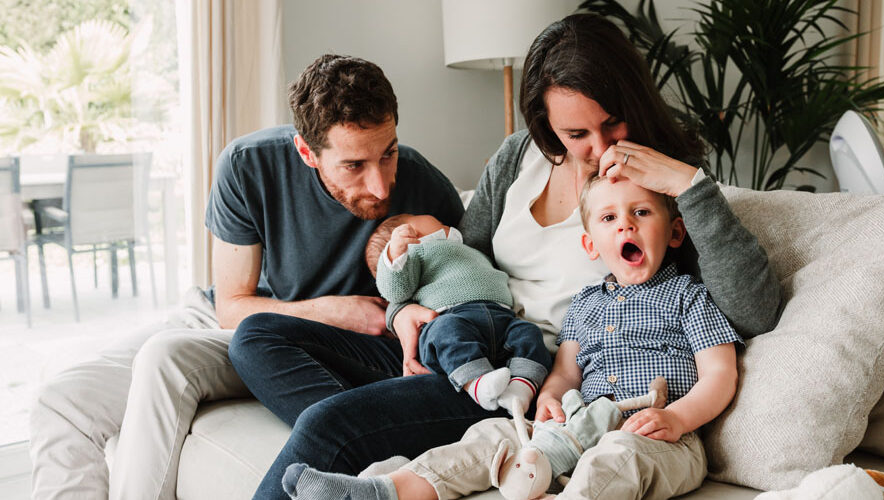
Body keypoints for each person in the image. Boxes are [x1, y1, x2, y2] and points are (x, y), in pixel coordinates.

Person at [244, 13, 781, 500]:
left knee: (326, 425)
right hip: (464, 335)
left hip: (524, 375)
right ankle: (391, 417)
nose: (597, 148)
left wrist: (688, 183)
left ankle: (381, 426)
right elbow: (463, 263)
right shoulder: (516, 157)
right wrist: (401, 310)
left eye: (612, 123)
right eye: (575, 133)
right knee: (256, 337)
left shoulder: (658, 190)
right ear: (546, 123)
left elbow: (754, 312)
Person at [27, 53, 464, 500]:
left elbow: (468, 288)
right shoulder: (248, 165)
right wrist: (334, 311)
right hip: (238, 315)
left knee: (165, 356)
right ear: (306, 153)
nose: (380, 185)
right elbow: (231, 306)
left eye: (387, 152)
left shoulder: (423, 183)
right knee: (62, 401)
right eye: (354, 165)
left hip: (299, 345)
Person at [281, 173, 744, 500]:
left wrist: (679, 420)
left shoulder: (687, 297)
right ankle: (387, 491)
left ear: (676, 232)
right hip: (577, 425)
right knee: (490, 435)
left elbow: (719, 374)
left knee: (621, 456)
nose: (625, 225)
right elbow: (565, 371)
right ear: (590, 245)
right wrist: (551, 400)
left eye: (641, 212)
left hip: (658, 435)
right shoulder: (586, 303)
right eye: (608, 219)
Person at [366, 213, 553, 411]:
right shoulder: (415, 254)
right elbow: (396, 292)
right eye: (436, 221)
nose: (442, 222)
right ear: (412, 235)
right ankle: (476, 384)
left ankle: (521, 388)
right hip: (452, 317)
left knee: (528, 332)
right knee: (445, 331)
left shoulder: (470, 251)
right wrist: (395, 255)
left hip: (502, 317)